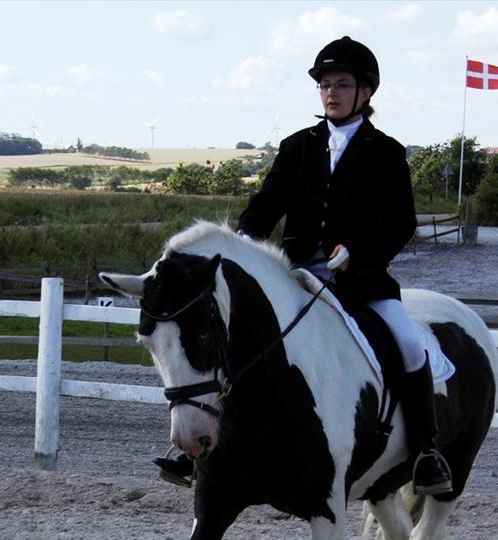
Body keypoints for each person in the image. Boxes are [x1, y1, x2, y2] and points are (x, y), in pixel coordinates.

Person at [155, 36, 452, 496]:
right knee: (231, 346)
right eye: (325, 85)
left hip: (360, 281)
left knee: (411, 347)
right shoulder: (297, 147)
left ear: (365, 92)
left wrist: (356, 251)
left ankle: (427, 450)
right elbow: (265, 204)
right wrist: (245, 243)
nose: (331, 92)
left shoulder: (387, 152)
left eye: (342, 84)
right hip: (295, 277)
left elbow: (400, 222)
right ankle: (198, 450)